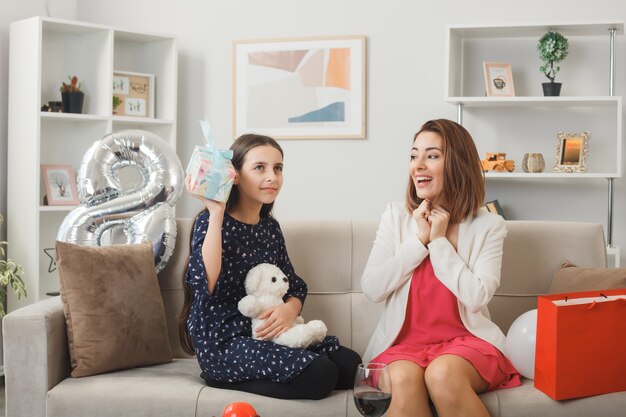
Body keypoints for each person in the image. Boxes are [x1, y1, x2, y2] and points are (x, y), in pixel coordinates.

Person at [179, 133, 361, 400]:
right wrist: (216, 212)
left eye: (278, 168)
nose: (272, 177)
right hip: (225, 342)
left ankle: (296, 373)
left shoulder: (270, 228)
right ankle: (220, 378)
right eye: (259, 168)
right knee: (322, 375)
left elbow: (294, 285)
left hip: (269, 334)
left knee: (351, 366)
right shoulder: (210, 222)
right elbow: (205, 284)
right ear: (236, 176)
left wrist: (290, 309)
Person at [361, 119, 521, 417]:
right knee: (403, 380)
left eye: (432, 156)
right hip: (403, 347)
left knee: (442, 374)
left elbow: (477, 297)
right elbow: (372, 288)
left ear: (457, 164)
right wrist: (419, 241)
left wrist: (438, 242)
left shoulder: (489, 226)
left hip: (467, 345)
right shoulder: (396, 217)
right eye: (413, 156)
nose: (418, 165)